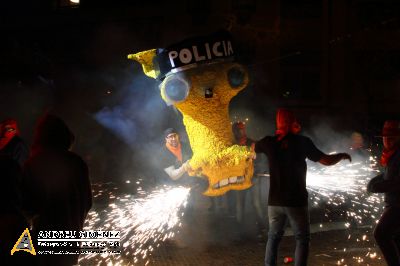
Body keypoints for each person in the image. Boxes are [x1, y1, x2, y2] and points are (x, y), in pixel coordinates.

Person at [255, 108, 351, 266]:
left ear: (278, 122)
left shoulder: (269, 142)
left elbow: (253, 148)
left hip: (275, 202)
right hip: (296, 201)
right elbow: (326, 160)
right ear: (293, 121)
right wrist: (341, 155)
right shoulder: (302, 142)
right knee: (302, 239)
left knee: (273, 237)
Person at [21, 114, 92, 266]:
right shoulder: (78, 163)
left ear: (42, 136)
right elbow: (88, 203)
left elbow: (27, 207)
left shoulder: (35, 163)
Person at [367, 120, 400, 266]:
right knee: (397, 238)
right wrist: (375, 180)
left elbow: (397, 182)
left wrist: (376, 187)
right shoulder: (393, 154)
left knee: (381, 234)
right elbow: (389, 175)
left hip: (398, 205)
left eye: (392, 137)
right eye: (386, 137)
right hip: (394, 203)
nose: (387, 140)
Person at [228, 121, 265, 238]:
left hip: (253, 179)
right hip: (239, 179)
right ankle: (239, 232)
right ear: (234, 131)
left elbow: (260, 159)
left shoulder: (252, 143)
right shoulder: (232, 145)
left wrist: (257, 170)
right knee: (239, 205)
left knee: (256, 204)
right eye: (238, 129)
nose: (240, 131)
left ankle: (262, 230)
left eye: (242, 129)